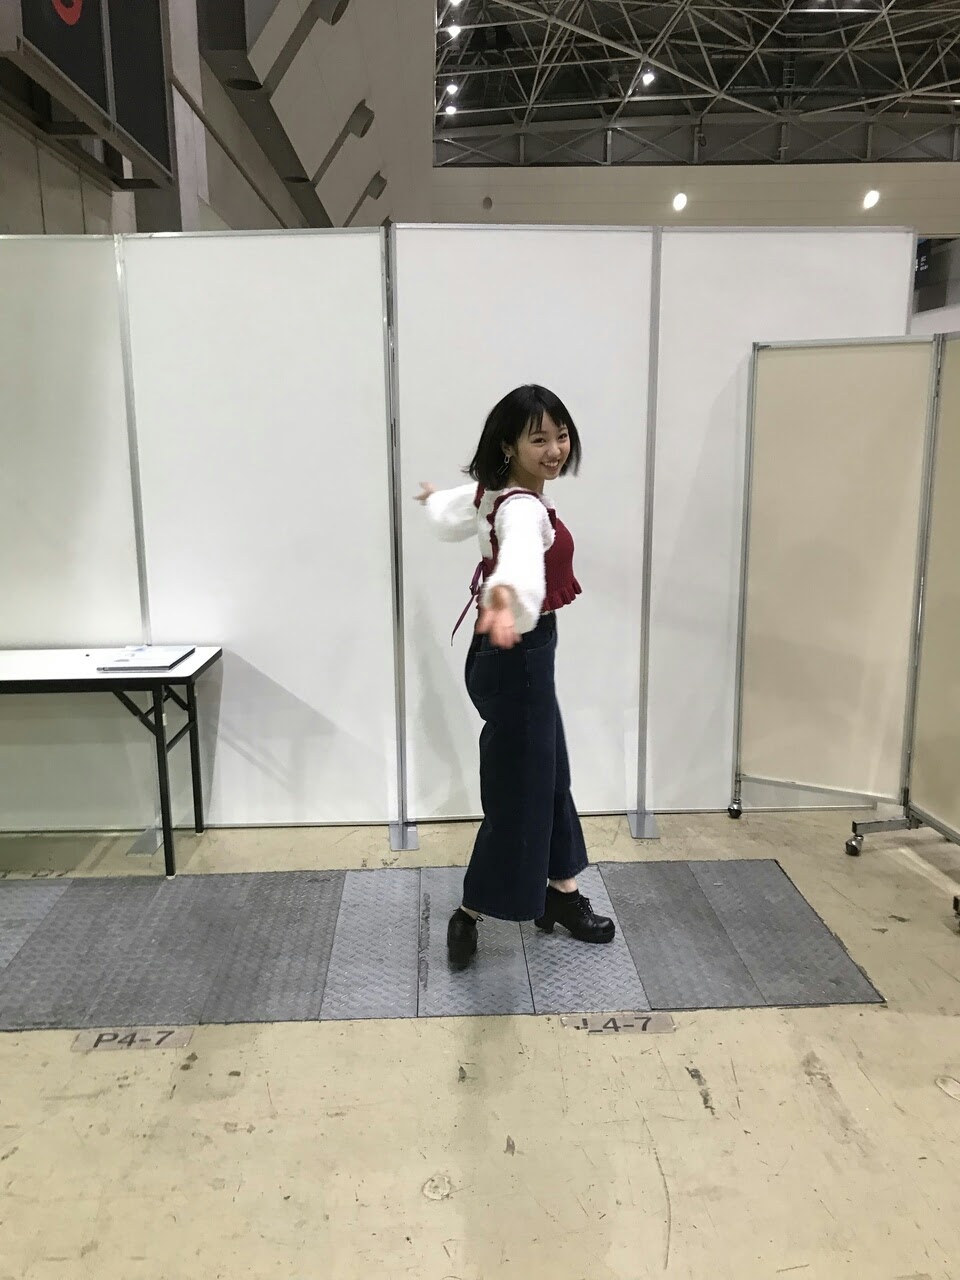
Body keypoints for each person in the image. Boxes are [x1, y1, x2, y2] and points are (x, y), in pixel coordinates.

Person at [415, 384, 615, 969]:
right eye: (539, 440)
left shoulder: (496, 491)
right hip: (516, 648)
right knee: (521, 788)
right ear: (510, 445)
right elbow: (522, 558)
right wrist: (508, 599)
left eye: (561, 436)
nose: (555, 450)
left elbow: (458, 508)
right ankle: (471, 909)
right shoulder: (523, 507)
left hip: (516, 650)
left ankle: (561, 893)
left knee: (548, 772)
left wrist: (434, 501)